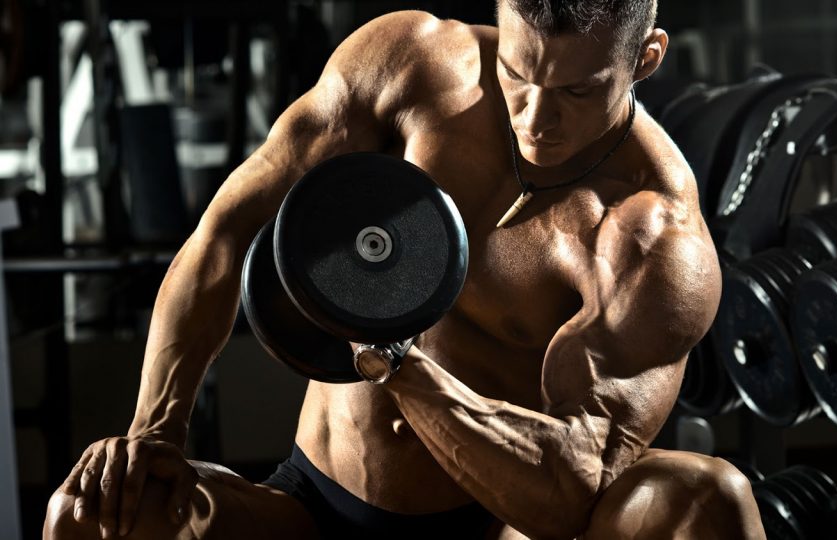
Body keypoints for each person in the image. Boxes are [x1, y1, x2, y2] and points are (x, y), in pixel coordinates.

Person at [45, 1, 766, 538]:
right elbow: (226, 231)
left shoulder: (649, 233)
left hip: (494, 523)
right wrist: (156, 433)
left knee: (705, 500)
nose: (536, 118)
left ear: (646, 57)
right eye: (518, 74)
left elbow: (570, 488)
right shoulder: (413, 66)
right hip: (312, 503)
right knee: (93, 512)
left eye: (578, 91)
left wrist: (399, 366)